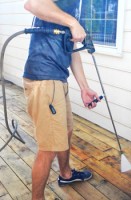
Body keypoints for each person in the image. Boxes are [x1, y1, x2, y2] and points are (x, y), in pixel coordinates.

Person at [23, 0, 100, 199]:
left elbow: (72, 51)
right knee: (48, 148)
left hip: (58, 78)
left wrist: (84, 88)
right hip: (44, 78)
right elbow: (32, 4)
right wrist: (73, 22)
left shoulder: (74, 7)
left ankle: (66, 174)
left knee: (65, 130)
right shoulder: (67, 12)